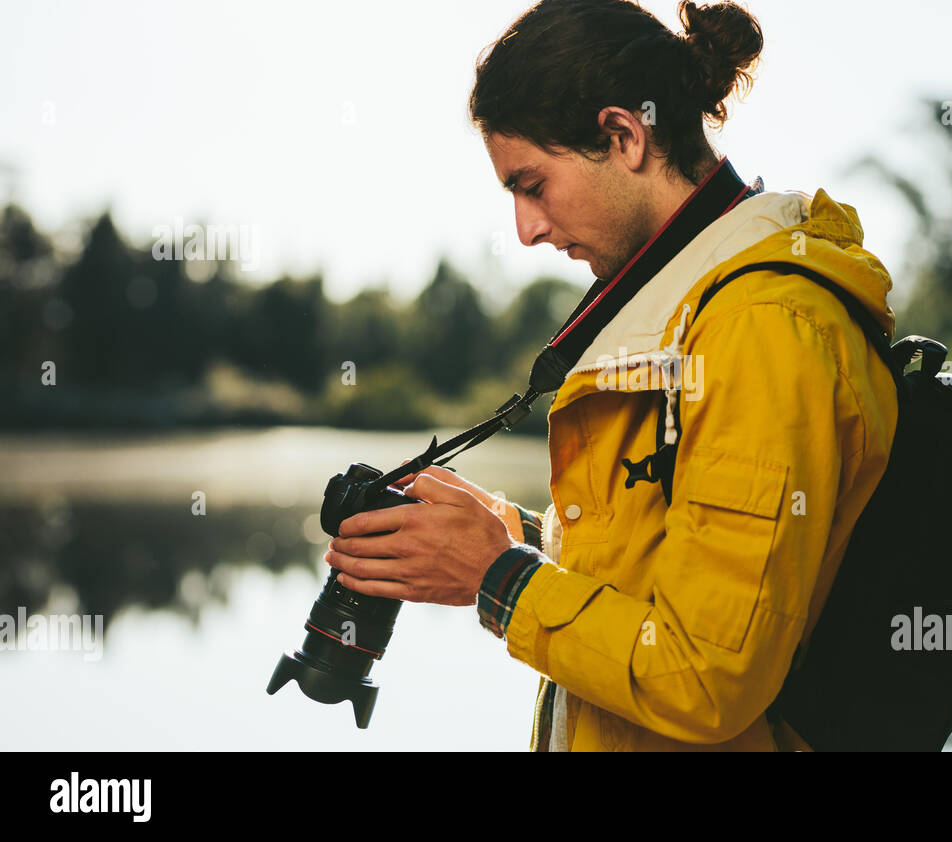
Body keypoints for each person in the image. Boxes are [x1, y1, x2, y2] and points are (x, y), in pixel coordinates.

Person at [324, 0, 899, 751]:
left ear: (625, 136)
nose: (527, 230)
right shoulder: (695, 305)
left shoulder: (762, 327)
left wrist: (499, 578)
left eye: (532, 186)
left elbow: (704, 675)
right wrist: (512, 538)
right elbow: (661, 579)